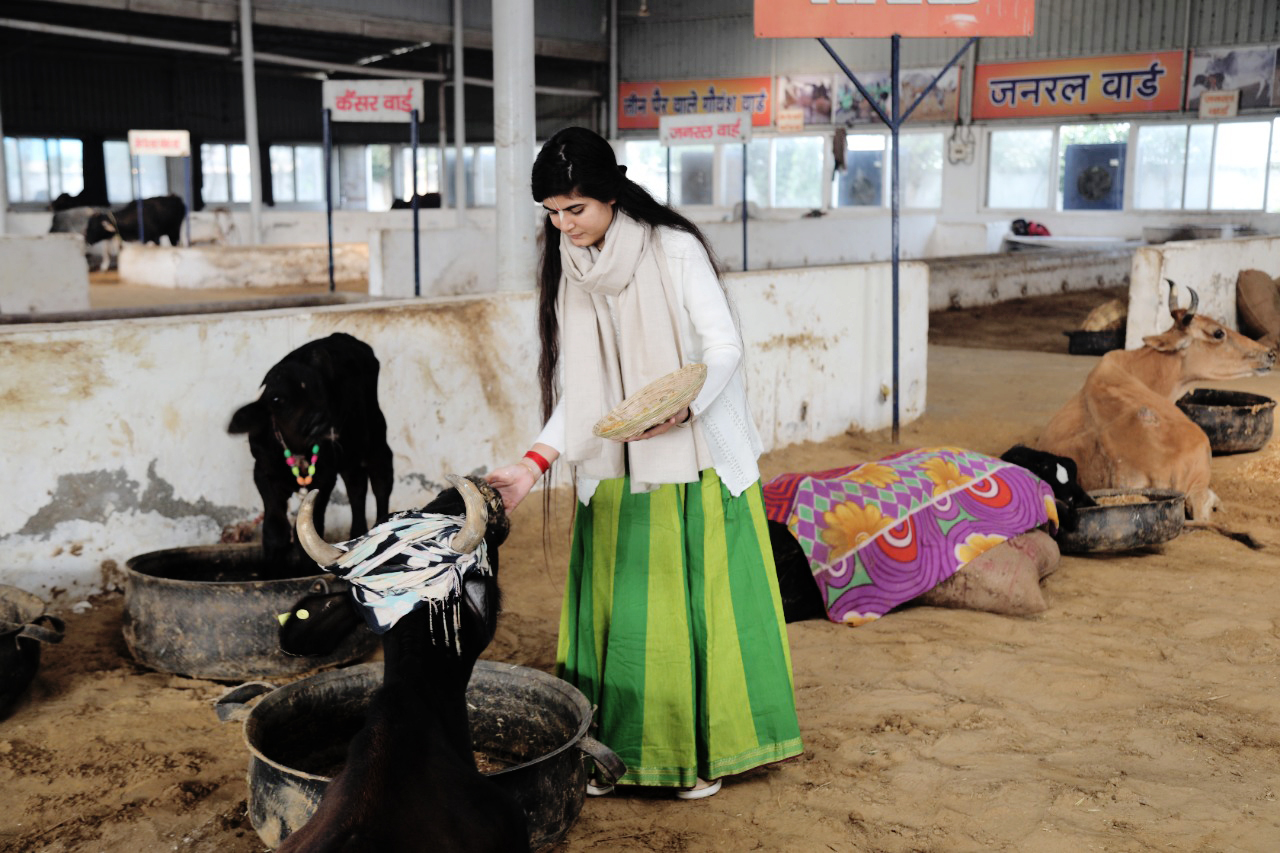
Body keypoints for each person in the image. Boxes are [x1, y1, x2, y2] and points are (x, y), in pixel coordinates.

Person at [487, 126, 802, 799]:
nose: (564, 225)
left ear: (610, 194)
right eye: (551, 212)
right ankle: (613, 752)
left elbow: (723, 349)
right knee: (623, 619)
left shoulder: (674, 248)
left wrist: (685, 410)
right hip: (616, 469)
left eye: (576, 209)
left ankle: (697, 756)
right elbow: (585, 393)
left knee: (691, 611)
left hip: (694, 465)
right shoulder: (575, 269)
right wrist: (532, 463)